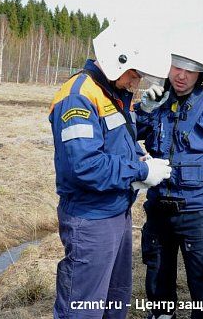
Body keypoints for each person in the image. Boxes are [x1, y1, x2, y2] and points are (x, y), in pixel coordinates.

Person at [49, 23, 173, 319]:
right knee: (83, 308)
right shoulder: (78, 96)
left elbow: (117, 142)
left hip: (116, 212)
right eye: (134, 73)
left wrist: (141, 117)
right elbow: (86, 166)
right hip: (91, 218)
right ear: (116, 60)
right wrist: (140, 171)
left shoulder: (110, 94)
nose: (137, 80)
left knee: (114, 303)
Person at [135, 46, 203, 319]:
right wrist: (145, 109)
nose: (181, 76)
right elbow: (128, 133)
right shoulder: (158, 100)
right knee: (158, 283)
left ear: (202, 73)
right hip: (159, 208)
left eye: (190, 69)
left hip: (197, 212)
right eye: (176, 67)